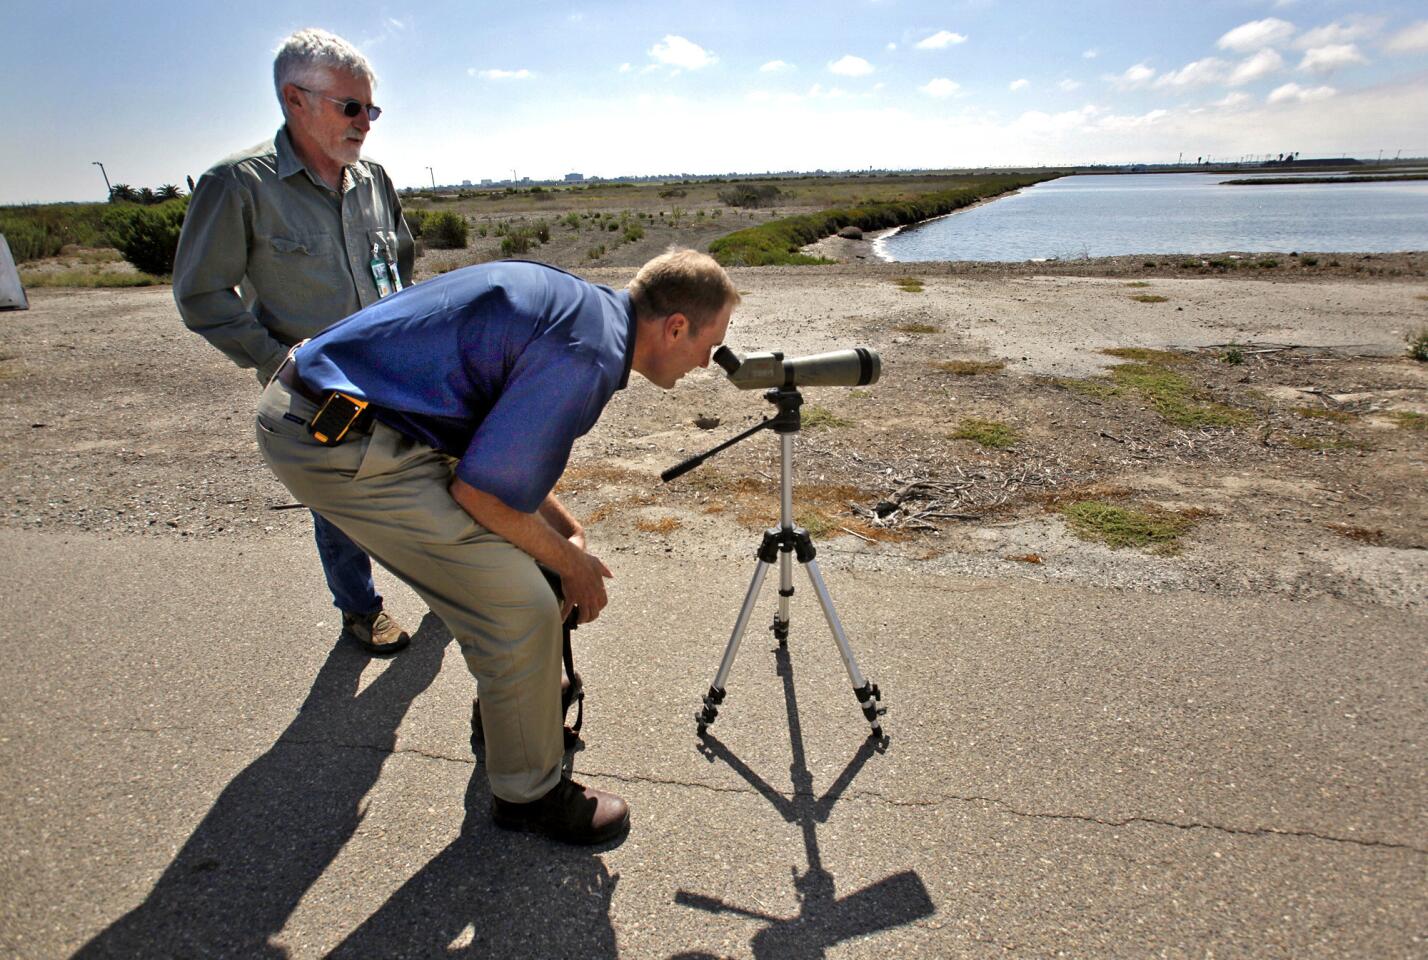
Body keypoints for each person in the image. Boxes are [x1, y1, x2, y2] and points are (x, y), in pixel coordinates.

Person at [254, 249, 739, 844]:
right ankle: (528, 796)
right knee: (521, 606)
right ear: (675, 327)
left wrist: (563, 537)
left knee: (526, 571)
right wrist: (574, 565)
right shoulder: (586, 355)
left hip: (349, 414)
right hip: (334, 438)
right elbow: (483, 493)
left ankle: (514, 708)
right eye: (710, 346)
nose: (708, 363)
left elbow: (499, 457)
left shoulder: (584, 311)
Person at [173, 28, 414, 655]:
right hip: (315, 389)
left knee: (423, 479)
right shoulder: (239, 184)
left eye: (371, 108)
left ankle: (451, 587)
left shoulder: (374, 180)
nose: (365, 122)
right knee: (338, 507)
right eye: (350, 107)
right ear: (295, 99)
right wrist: (278, 361)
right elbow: (201, 293)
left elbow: (402, 262)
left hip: (394, 372)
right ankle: (360, 609)